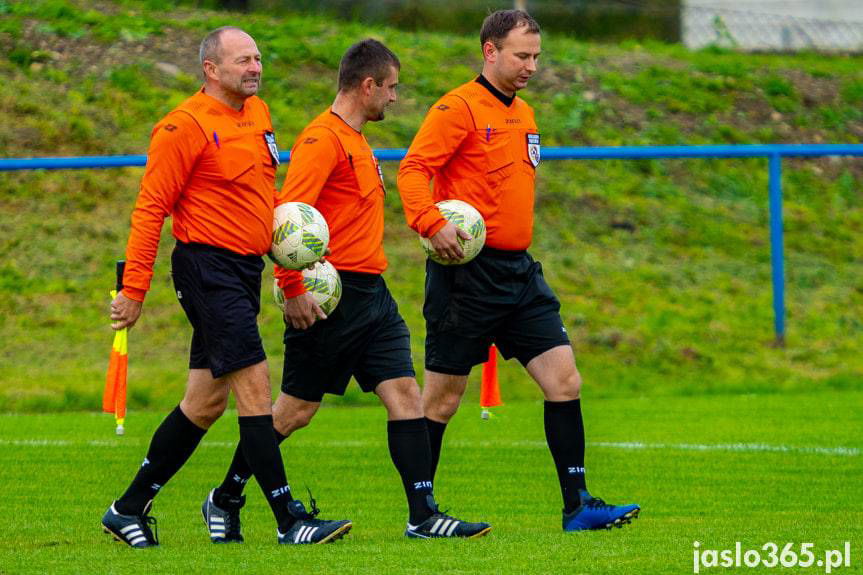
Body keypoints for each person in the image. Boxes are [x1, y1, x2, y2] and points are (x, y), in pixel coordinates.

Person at [203, 39, 490, 541]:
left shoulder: (358, 141)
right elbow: (287, 222)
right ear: (368, 85)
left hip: (373, 294)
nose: (395, 98)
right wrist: (292, 287)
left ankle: (423, 515)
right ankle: (225, 497)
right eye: (392, 88)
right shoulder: (322, 140)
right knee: (295, 411)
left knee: (406, 396)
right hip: (329, 297)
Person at [101, 26, 351, 548]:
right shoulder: (182, 126)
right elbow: (150, 210)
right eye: (243, 60)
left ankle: (126, 509)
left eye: (257, 57)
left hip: (243, 272)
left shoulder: (258, 115)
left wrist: (291, 274)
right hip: (206, 270)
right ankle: (289, 520)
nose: (255, 67)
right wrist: (135, 290)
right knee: (255, 388)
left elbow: (266, 203)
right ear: (211, 69)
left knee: (204, 404)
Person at [397, 10, 641, 532]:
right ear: (490, 51)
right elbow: (414, 169)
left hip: (519, 274)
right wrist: (430, 221)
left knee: (564, 380)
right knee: (442, 400)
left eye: (536, 57)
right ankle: (421, 515)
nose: (531, 66)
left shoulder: (525, 113)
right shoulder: (457, 107)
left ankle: (578, 505)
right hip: (466, 275)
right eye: (521, 55)